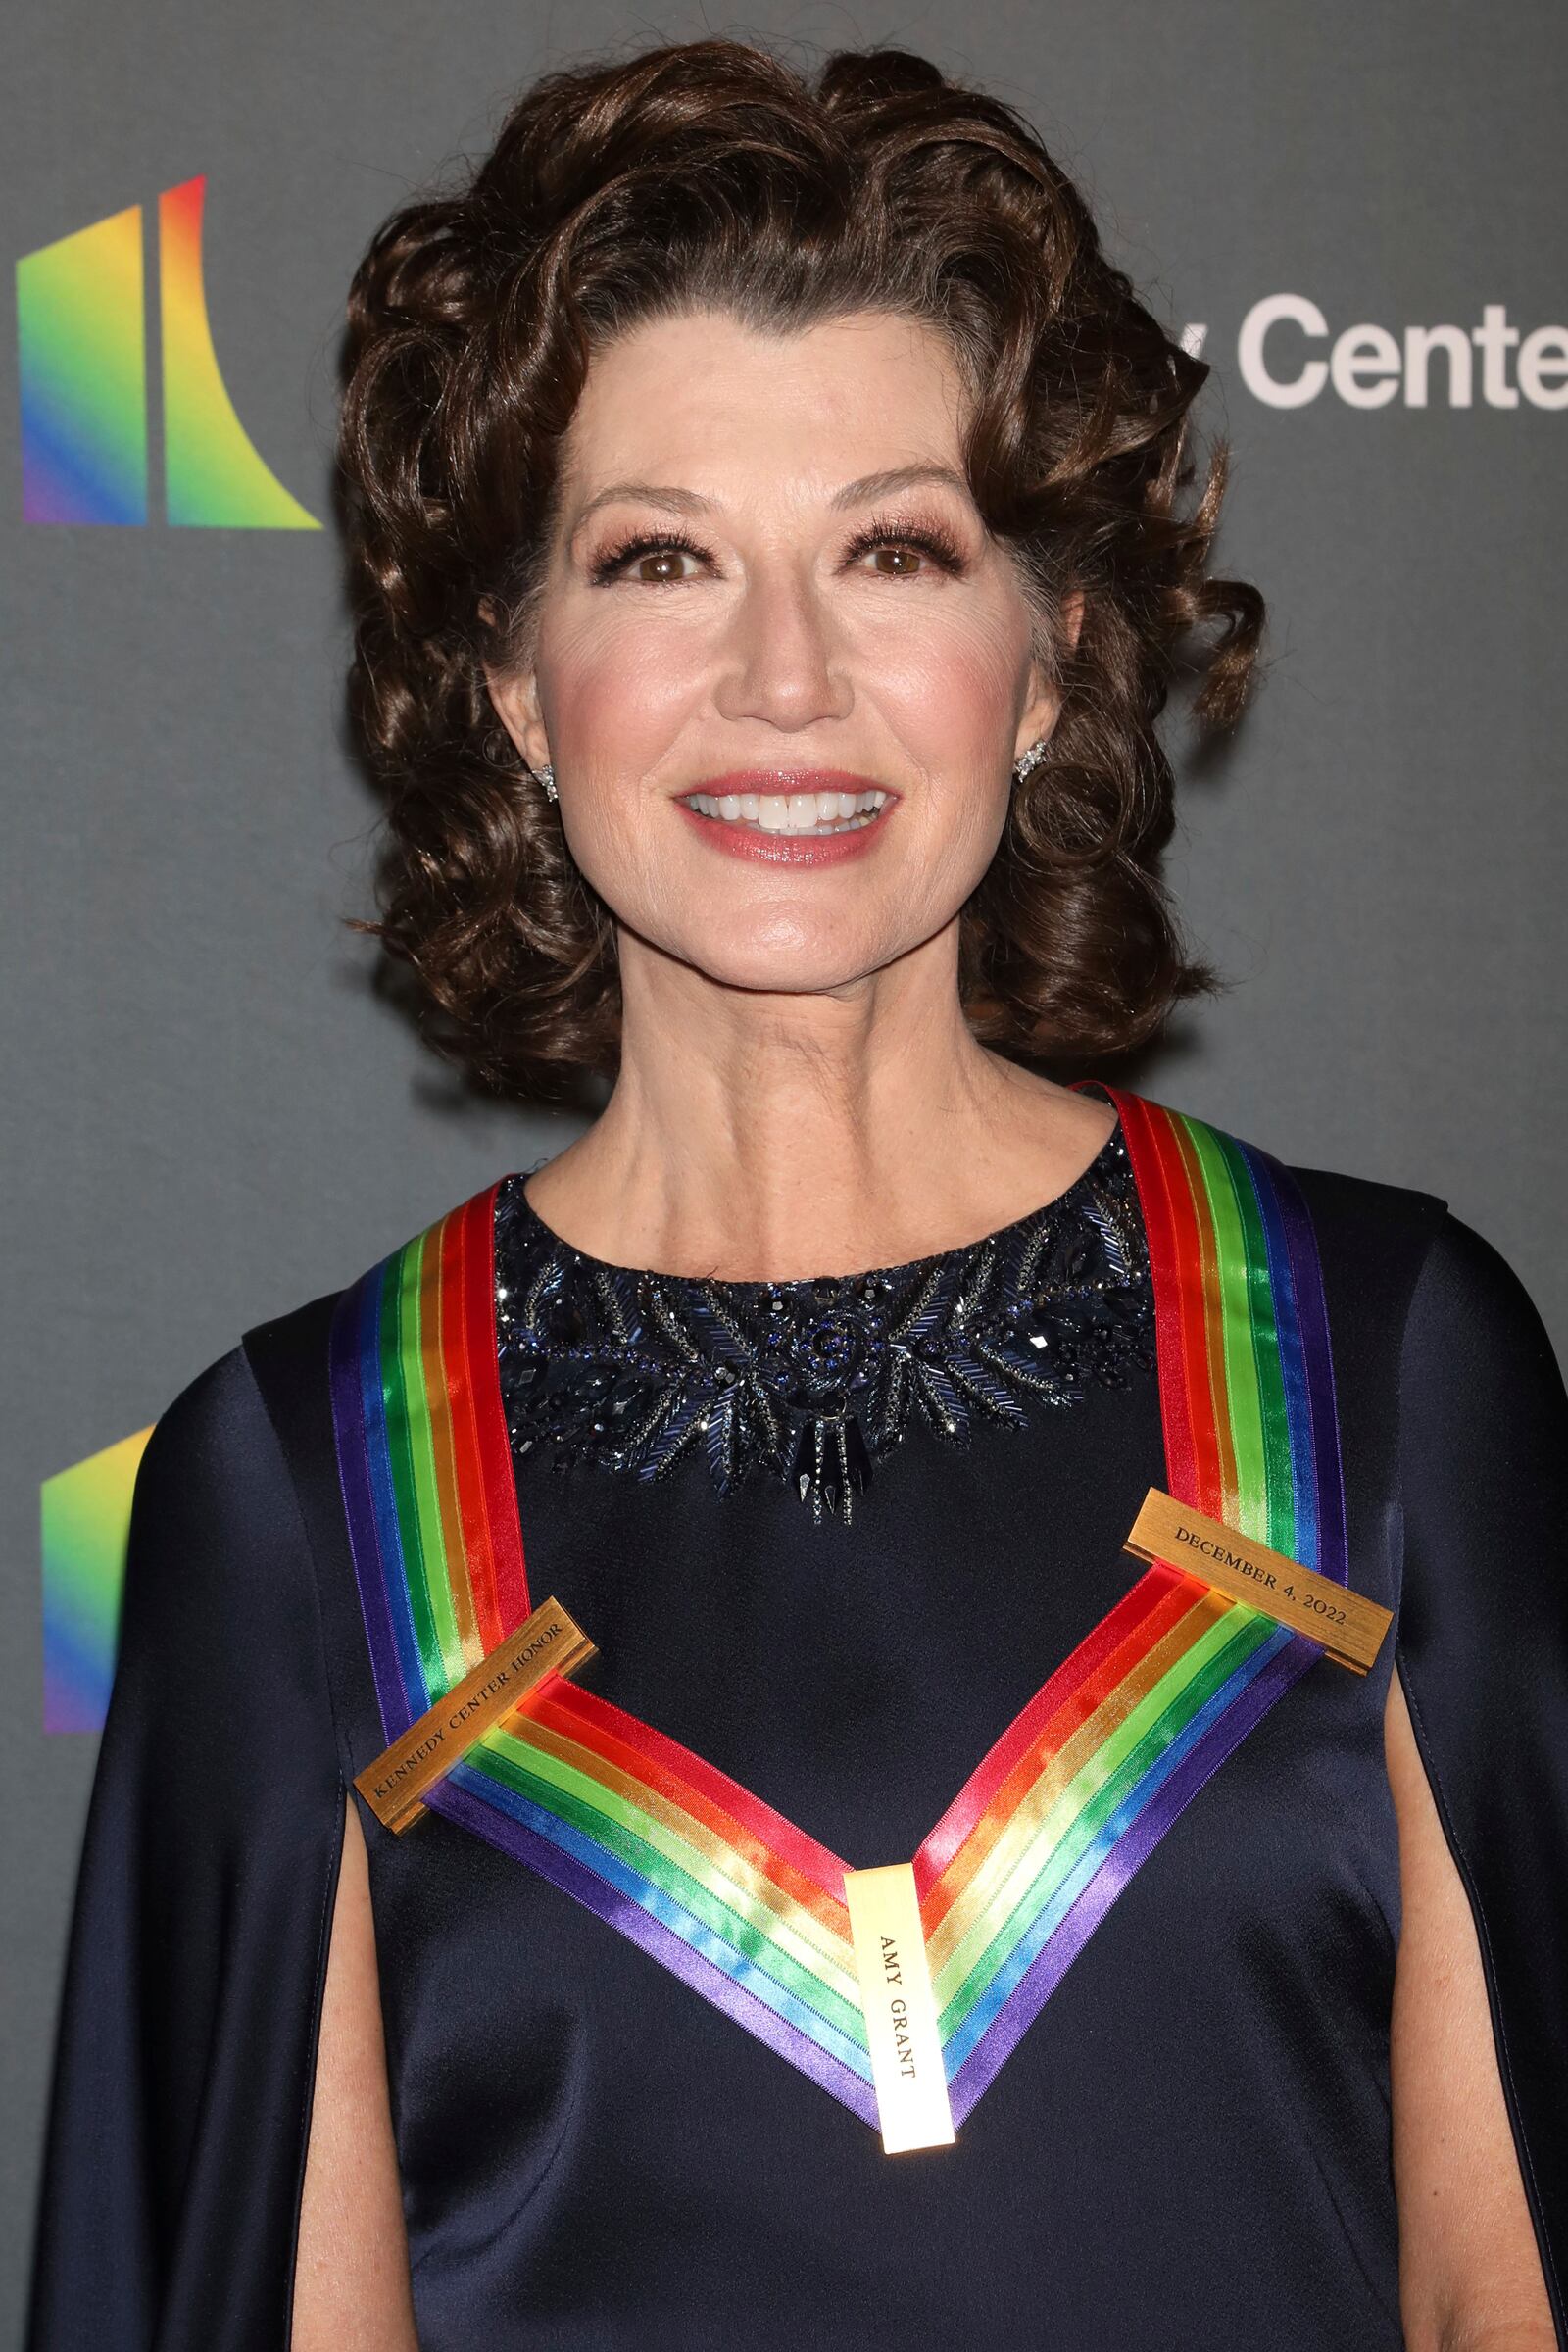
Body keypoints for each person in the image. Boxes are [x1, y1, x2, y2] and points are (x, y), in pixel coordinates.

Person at [25, 36, 1568, 2352]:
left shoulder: (1377, 1356)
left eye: (889, 549)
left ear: (1043, 656)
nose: (781, 677)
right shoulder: (303, 1483)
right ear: (517, 690)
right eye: (660, 558)